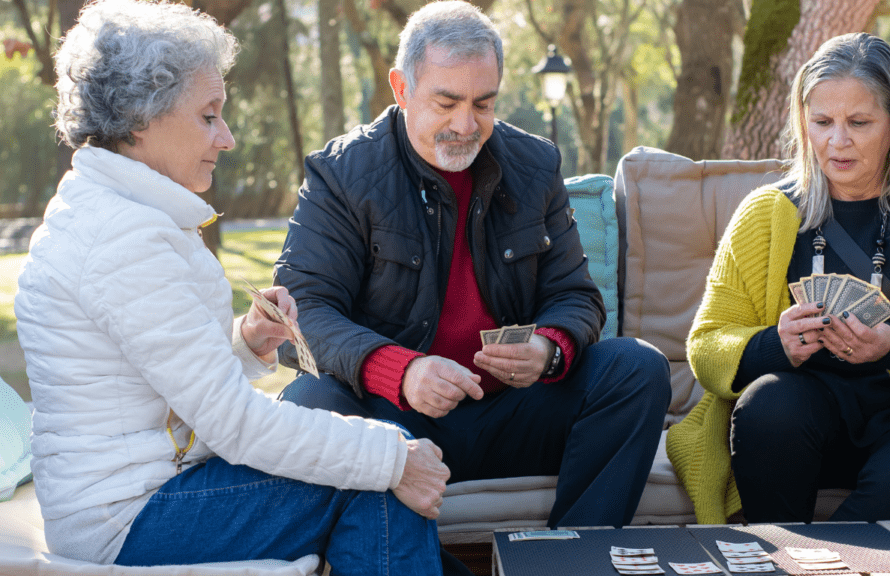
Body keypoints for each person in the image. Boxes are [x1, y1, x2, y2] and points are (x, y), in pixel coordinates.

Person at [15, 0, 448, 572]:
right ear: (141, 119)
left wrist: (247, 342)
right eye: (209, 115)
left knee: (374, 466)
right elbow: (235, 425)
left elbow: (161, 382)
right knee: (375, 469)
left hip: (144, 496)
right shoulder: (122, 238)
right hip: (129, 519)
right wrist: (393, 458)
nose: (228, 138)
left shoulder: (119, 213)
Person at [275, 0, 670, 543]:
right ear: (400, 88)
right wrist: (399, 371)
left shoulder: (536, 165)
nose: (466, 125)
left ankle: (574, 558)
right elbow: (301, 316)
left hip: (514, 409)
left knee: (636, 368)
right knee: (309, 402)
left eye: (483, 104)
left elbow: (576, 296)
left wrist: (550, 349)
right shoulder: (342, 174)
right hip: (398, 422)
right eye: (446, 102)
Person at [666, 32, 890, 524]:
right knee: (768, 406)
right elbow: (708, 344)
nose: (838, 141)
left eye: (859, 122)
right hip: (808, 413)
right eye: (822, 122)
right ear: (803, 124)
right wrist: (778, 345)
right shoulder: (766, 213)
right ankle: (781, 553)